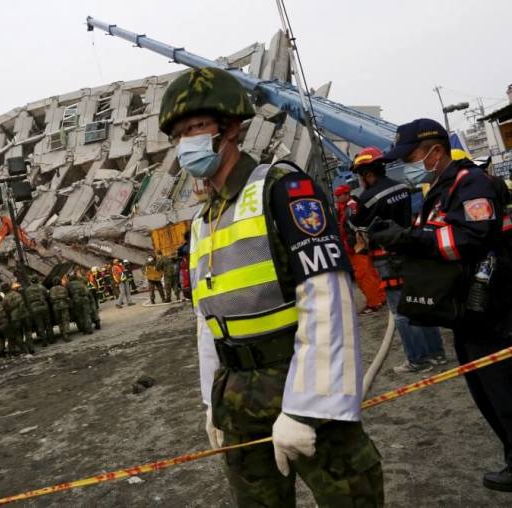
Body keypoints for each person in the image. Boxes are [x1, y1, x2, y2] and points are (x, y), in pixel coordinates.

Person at [159, 67, 383, 505]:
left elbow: (327, 299)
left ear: (232, 128)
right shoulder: (204, 218)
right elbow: (209, 321)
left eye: (198, 127)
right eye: (180, 134)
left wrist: (307, 408)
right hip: (238, 399)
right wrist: (212, 401)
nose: (187, 142)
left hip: (297, 384)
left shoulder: (282, 189)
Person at [370, 118, 512, 492]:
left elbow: (473, 236)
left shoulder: (470, 182)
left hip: (495, 307)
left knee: (505, 390)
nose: (407, 162)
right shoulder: (440, 187)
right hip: (467, 311)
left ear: (433, 150)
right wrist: (405, 237)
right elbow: (434, 233)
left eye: (411, 155)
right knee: (486, 392)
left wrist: (409, 238)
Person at [349, 146, 446, 373]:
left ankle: (418, 360)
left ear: (367, 173)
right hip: (411, 251)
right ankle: (437, 353)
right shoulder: (403, 187)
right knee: (421, 302)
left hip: (387, 258)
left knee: (401, 312)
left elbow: (357, 226)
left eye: (360, 175)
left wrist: (351, 212)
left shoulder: (368, 198)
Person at [334, 184, 385, 314]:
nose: (337, 198)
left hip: (357, 245)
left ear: (347, 194)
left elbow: (354, 225)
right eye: (337, 196)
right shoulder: (346, 207)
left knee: (364, 275)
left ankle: (374, 303)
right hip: (355, 245)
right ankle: (381, 297)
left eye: (339, 196)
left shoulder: (351, 207)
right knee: (370, 273)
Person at [24, 276, 53, 346]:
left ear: (31, 281)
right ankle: (51, 339)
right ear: (37, 280)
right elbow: (47, 296)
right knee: (48, 323)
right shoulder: (42, 287)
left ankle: (44, 341)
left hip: (34, 308)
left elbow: (27, 300)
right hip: (44, 306)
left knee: (40, 325)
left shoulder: (27, 290)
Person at [6, 283, 34, 354]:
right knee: (28, 332)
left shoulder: (5, 298)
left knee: (18, 334)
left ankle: (24, 350)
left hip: (15, 318)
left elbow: (6, 310)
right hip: (24, 315)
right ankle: (31, 348)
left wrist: (10, 319)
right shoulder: (17, 294)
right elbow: (23, 303)